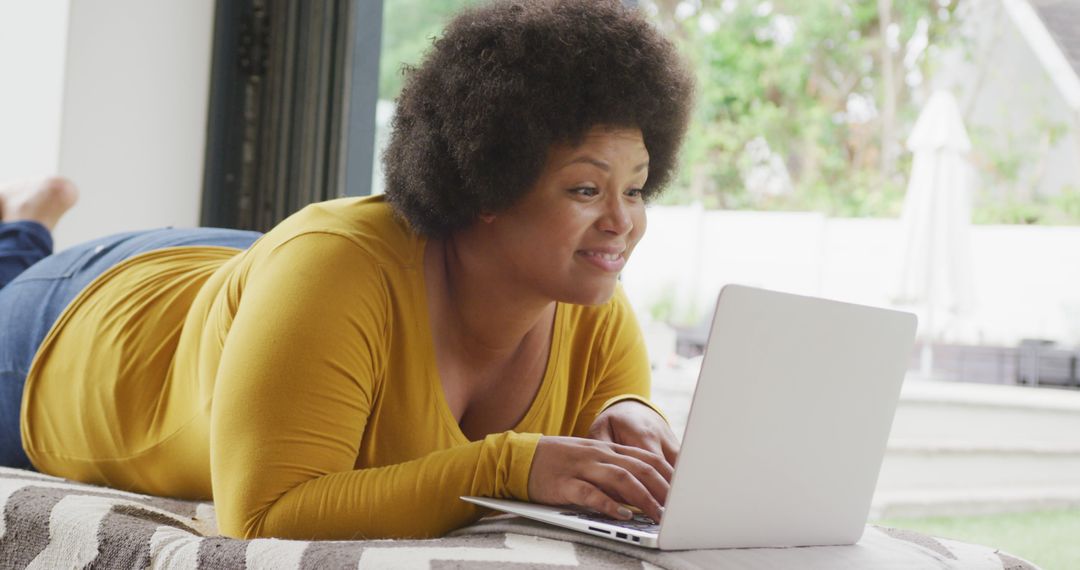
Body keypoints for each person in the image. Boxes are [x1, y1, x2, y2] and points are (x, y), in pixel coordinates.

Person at [0, 0, 694, 540]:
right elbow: (262, 516)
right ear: (487, 185)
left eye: (634, 188)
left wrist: (635, 413)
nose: (622, 222)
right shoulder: (332, 266)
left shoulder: (592, 307)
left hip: (267, 282)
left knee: (295, 274)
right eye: (585, 190)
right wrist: (508, 467)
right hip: (80, 327)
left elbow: (614, 457)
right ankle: (24, 225)